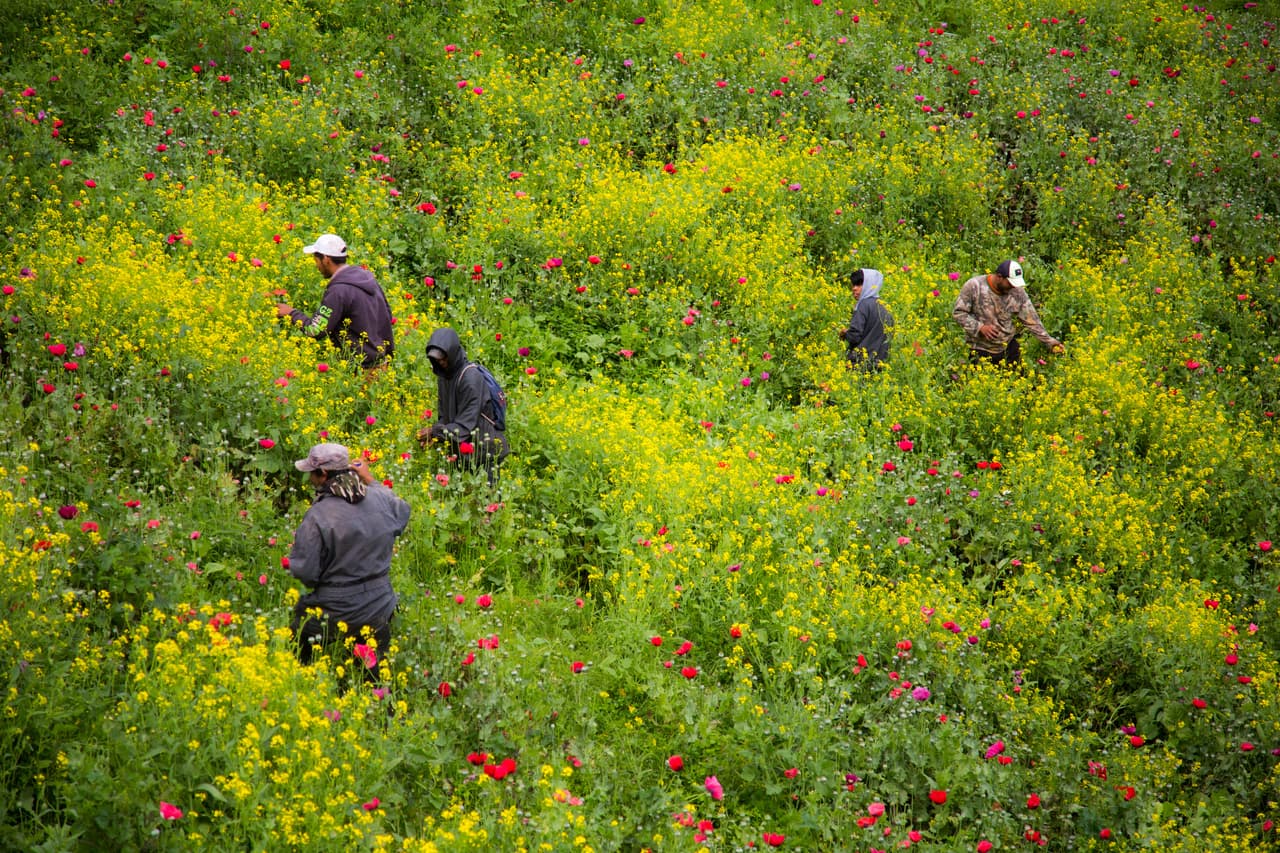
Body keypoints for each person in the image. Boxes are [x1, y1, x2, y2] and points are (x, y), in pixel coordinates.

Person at [287, 443, 411, 682]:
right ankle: (379, 701)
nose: (310, 478)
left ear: (323, 474)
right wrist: (371, 480)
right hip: (380, 607)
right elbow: (402, 513)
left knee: (299, 633)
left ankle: (308, 682)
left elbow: (306, 573)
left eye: (312, 473)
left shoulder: (318, 515)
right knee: (375, 678)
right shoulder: (379, 499)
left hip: (336, 611)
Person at [276, 233, 395, 371]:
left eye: (316, 261)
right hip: (381, 364)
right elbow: (387, 316)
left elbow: (315, 330)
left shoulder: (339, 291)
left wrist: (291, 313)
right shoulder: (367, 278)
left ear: (326, 259)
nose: (317, 266)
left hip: (362, 370)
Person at [418, 327, 509, 483]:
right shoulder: (444, 376)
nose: (442, 363)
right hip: (463, 453)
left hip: (484, 454)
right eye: (437, 360)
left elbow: (465, 426)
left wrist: (435, 432)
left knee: (489, 502)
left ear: (453, 353)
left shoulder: (470, 379)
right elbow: (444, 416)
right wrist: (435, 436)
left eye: (444, 358)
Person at [952, 258, 1064, 367]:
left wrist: (1050, 342)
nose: (1013, 287)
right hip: (979, 349)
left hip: (1008, 348)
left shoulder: (1017, 291)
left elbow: (1031, 320)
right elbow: (959, 313)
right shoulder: (974, 286)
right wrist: (980, 328)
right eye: (1010, 283)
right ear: (999, 277)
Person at [839, 268, 894, 371]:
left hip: (859, 365)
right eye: (854, 285)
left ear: (870, 284)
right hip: (879, 366)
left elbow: (854, 336)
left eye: (859, 285)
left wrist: (845, 333)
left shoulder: (863, 305)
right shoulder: (886, 308)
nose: (854, 288)